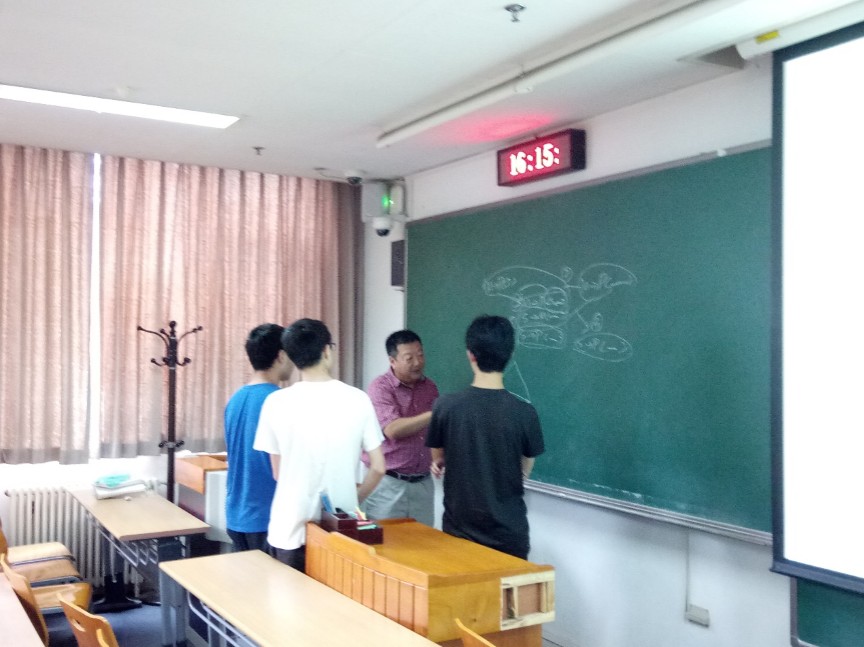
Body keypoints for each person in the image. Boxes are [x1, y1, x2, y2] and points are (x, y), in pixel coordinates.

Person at [253, 318, 385, 571]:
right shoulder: (358, 399)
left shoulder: (275, 403)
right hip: (340, 528)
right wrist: (353, 498)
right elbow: (378, 467)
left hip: (289, 529)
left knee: (288, 595)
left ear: (291, 357)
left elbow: (278, 473)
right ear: (327, 350)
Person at [426, 315, 545, 559]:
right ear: (510, 355)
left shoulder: (445, 407)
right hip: (509, 537)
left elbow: (438, 457)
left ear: (471, 354)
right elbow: (525, 469)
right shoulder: (525, 413)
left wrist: (442, 461)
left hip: (459, 535)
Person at [224, 323, 294, 553]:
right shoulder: (279, 402)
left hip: (237, 516)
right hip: (268, 518)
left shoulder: (235, 399)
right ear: (281, 356)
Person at [363, 330, 439, 526]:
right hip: (387, 485)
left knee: (424, 541)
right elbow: (392, 429)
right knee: (384, 541)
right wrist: (433, 414)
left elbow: (435, 430)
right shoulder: (380, 388)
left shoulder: (430, 388)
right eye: (409, 358)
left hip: (423, 484)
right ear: (393, 361)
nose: (417, 362)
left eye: (420, 355)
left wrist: (439, 458)